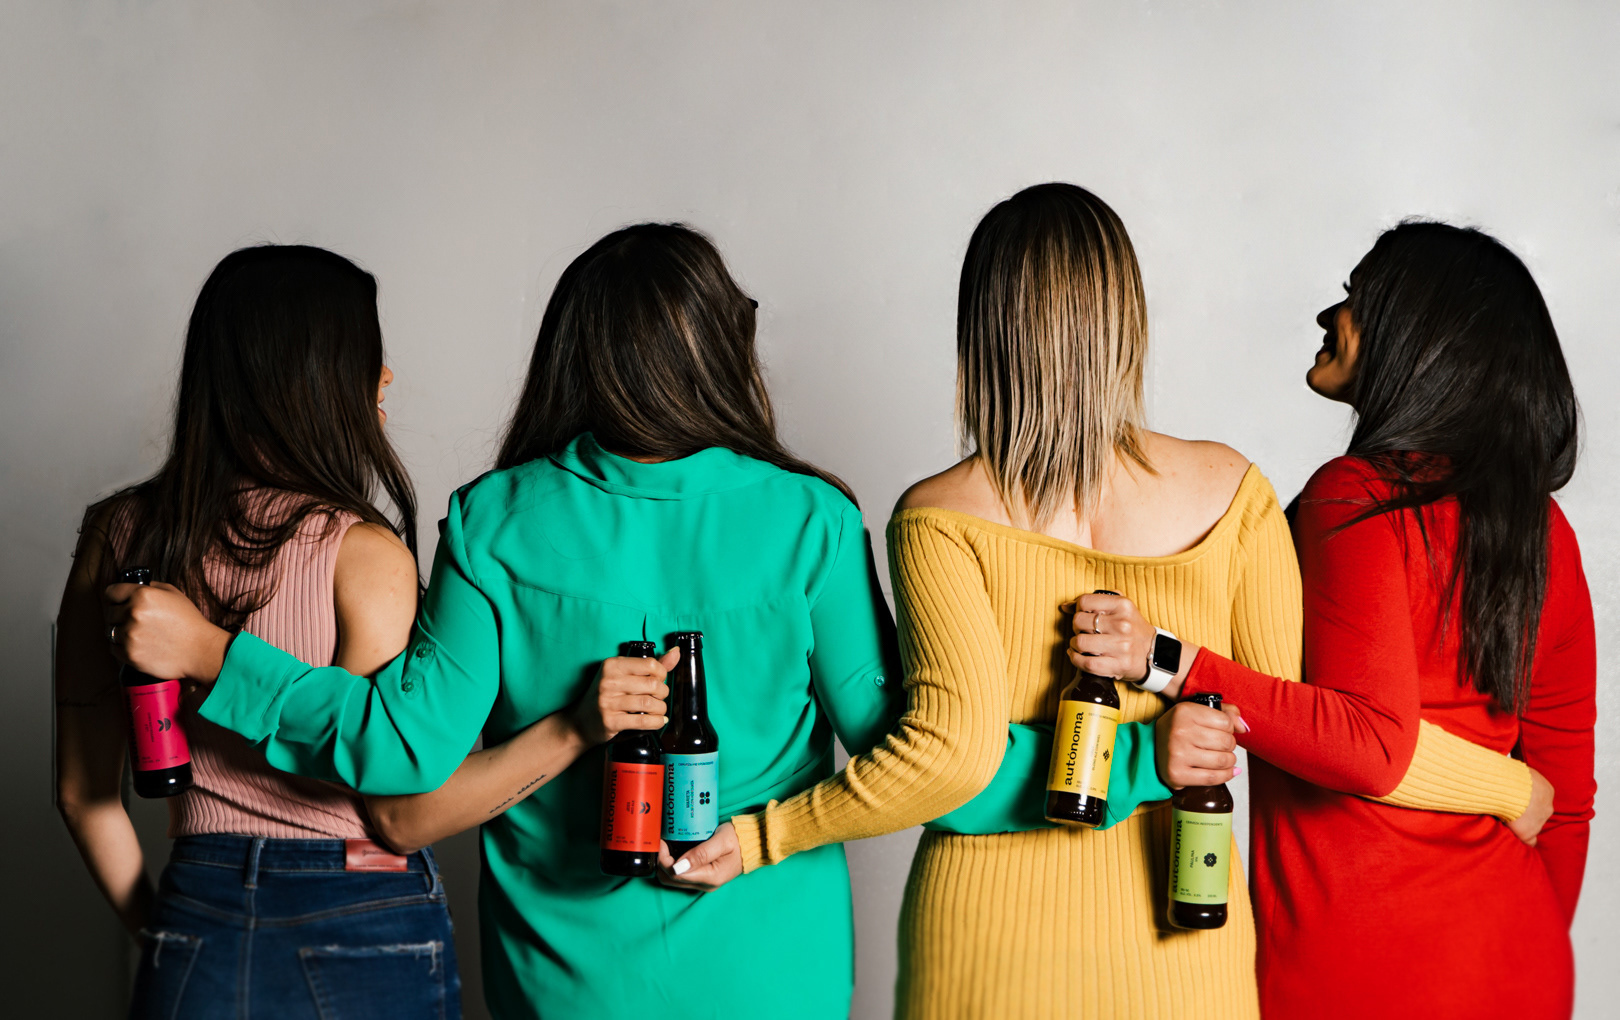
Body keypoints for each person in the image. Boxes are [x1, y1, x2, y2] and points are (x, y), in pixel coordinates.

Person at [106, 223, 909, 1019]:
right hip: (775, 967)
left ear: (570, 353)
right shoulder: (815, 522)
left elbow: (404, 753)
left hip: (565, 978)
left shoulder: (494, 519)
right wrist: (770, 836)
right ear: (720, 352)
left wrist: (218, 656)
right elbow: (908, 751)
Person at [828, 185, 1541, 1020]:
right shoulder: (1230, 493)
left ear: (979, 330)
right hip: (1179, 937)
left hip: (980, 940)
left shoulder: (936, 515)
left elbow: (950, 756)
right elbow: (1319, 728)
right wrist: (1508, 785)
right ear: (1126, 321)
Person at [1098, 221, 1594, 1019]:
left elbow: (1369, 743)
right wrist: (1520, 947)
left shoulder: (1355, 496)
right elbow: (1562, 801)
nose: (1329, 316)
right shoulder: (1545, 532)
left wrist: (1166, 659)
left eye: (1356, 299)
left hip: (1355, 964)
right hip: (1519, 957)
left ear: (1416, 332)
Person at [56, 245, 465, 1018]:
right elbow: (383, 785)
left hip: (199, 900)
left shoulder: (117, 534)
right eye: (368, 357)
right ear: (322, 378)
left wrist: (170, 934)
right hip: (365, 903)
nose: (386, 378)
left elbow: (83, 796)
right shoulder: (365, 554)